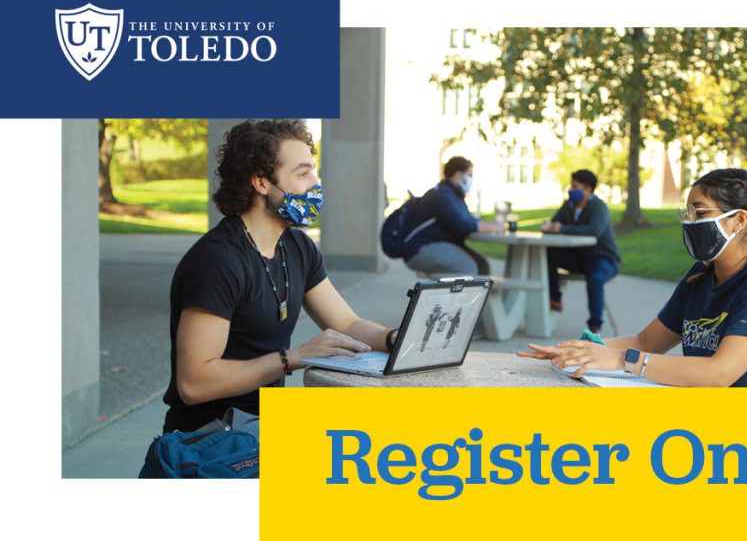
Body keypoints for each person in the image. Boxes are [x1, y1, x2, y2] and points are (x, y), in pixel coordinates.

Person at [162, 120, 399, 433]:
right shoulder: (216, 262)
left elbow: (347, 325)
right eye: (302, 174)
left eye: (313, 172)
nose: (315, 183)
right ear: (261, 183)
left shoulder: (297, 247)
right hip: (212, 438)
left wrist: (397, 339)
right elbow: (194, 383)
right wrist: (294, 357)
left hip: (263, 423)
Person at [520, 168, 747, 387]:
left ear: (739, 220)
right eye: (688, 212)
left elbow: (719, 373)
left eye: (700, 212)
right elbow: (645, 342)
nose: (690, 222)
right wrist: (576, 351)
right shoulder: (701, 275)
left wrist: (623, 360)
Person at [541, 169, 620, 334]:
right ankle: (554, 298)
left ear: (588, 189)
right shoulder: (568, 205)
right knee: (547, 254)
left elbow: (594, 231)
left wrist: (561, 228)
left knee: (595, 278)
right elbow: (556, 223)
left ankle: (595, 325)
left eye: (575, 186)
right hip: (578, 258)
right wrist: (550, 226)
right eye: (571, 185)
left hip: (603, 258)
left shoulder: (599, 207)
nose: (571, 190)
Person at [403, 156, 503, 276]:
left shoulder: (454, 195)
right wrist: (494, 228)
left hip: (437, 244)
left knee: (482, 266)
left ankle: (481, 295)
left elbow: (468, 220)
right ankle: (450, 294)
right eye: (469, 175)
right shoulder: (441, 195)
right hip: (420, 249)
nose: (471, 179)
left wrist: (492, 225)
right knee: (467, 269)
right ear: (458, 175)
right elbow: (462, 225)